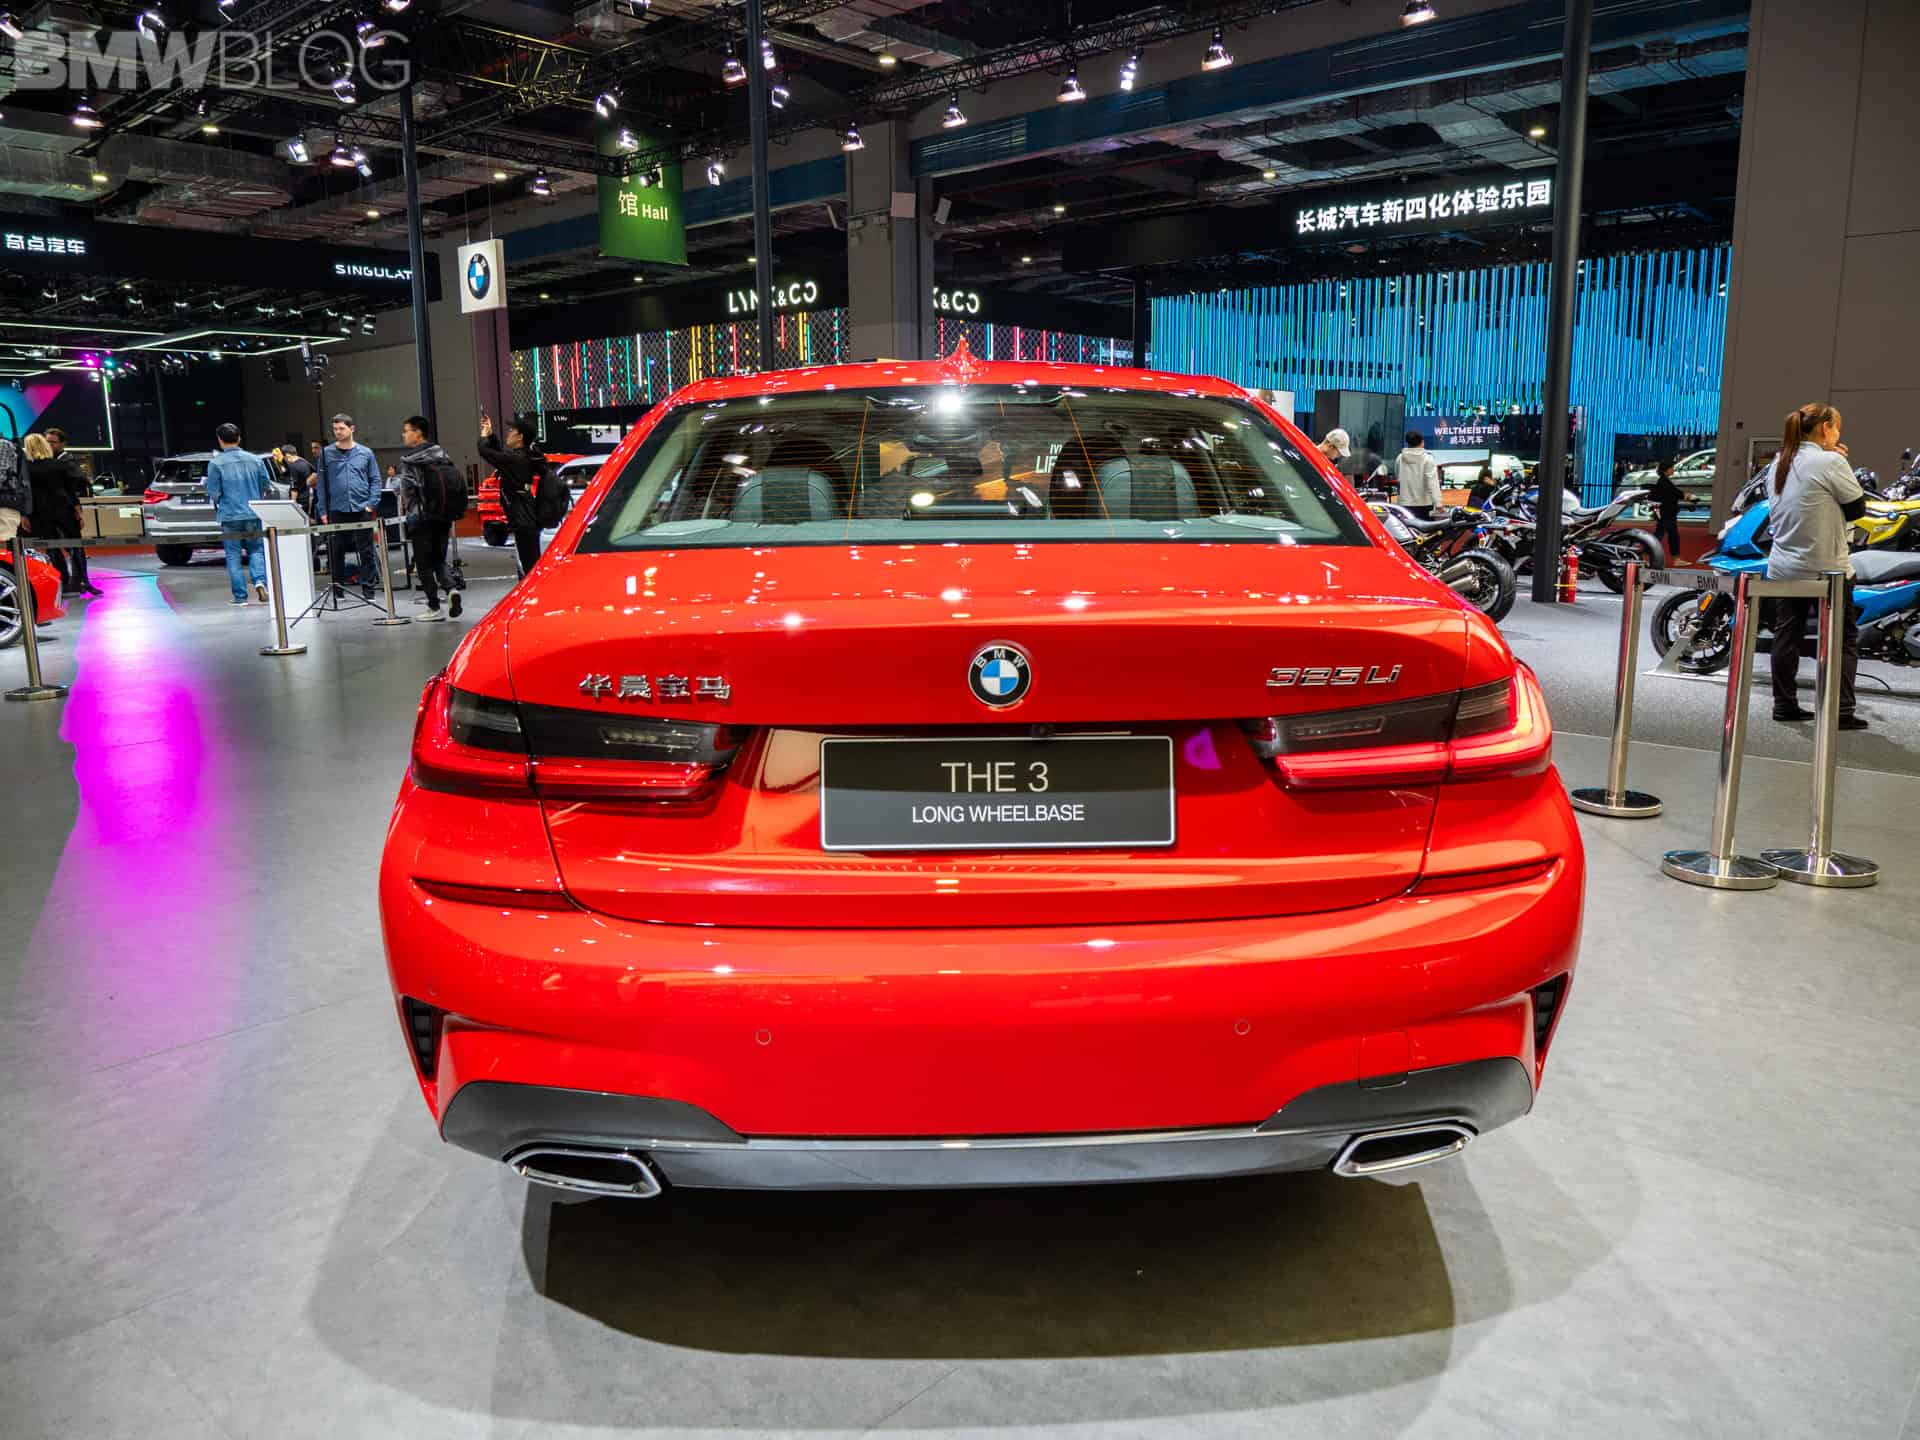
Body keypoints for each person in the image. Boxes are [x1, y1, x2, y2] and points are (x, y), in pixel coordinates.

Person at [1767, 402, 1868, 730]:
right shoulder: (1831, 462)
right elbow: (1857, 509)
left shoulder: (1779, 462)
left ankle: (1784, 704)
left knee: (1787, 635)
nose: (1838, 434)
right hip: (1827, 569)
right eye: (1837, 428)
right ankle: (1841, 711)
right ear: (1826, 428)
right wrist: (1840, 461)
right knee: (1842, 639)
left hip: (1784, 567)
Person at [397, 415, 463, 620]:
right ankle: (451, 589)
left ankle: (434, 607)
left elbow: (407, 491)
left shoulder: (410, 461)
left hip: (421, 517)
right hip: (443, 515)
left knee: (423, 564)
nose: (403, 435)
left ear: (418, 433)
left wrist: (410, 510)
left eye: (406, 431)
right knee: (439, 559)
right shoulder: (442, 454)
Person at [314, 412, 383, 601]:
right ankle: (338, 591)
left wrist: (371, 504)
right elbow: (321, 483)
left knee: (366, 551)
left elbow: (375, 480)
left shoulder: (366, 453)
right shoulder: (326, 454)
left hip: (361, 509)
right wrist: (323, 510)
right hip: (336, 510)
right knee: (336, 552)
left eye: (341, 428)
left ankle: (369, 590)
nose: (338, 432)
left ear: (352, 429)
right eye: (335, 429)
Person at [205, 422, 272, 606]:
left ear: (220, 440)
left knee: (233, 556)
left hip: (230, 516)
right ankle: (260, 581)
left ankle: (240, 597)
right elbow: (266, 484)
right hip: (253, 513)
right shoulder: (255, 460)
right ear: (239, 438)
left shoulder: (215, 463)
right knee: (256, 550)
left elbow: (214, 493)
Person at [478, 413, 546, 577]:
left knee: (529, 568)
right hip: (527, 517)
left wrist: (484, 437)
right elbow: (501, 455)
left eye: (511, 431)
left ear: (520, 437)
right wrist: (491, 435)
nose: (508, 434)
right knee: (529, 564)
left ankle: (532, 591)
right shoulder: (524, 456)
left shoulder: (517, 459)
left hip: (523, 519)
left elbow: (486, 452)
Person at [1393, 430, 1442, 518]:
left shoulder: (1400, 458)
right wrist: (1438, 504)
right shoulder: (1428, 459)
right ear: (1422, 442)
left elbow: (1397, 477)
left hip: (1404, 503)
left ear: (1408, 443)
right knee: (1424, 526)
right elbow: (1432, 483)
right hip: (1424, 504)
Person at [1648, 458, 1684, 564]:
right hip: (1666, 513)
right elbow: (1674, 493)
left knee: (1668, 535)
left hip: (1666, 513)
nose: (1673, 470)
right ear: (1666, 469)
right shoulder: (1664, 481)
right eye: (1672, 468)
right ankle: (1644, 553)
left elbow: (1674, 492)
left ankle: (1676, 559)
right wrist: (1685, 495)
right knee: (1665, 536)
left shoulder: (1663, 480)